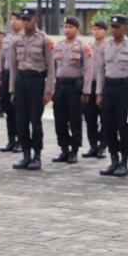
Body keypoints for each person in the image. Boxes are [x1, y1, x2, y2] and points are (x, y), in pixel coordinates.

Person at [9, 8, 55, 170]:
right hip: (21, 81)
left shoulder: (44, 40)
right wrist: (12, 90)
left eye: (28, 19)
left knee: (35, 121)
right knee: (21, 120)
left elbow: (51, 67)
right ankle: (26, 155)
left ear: (35, 19)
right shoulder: (17, 41)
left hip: (36, 81)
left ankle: (37, 156)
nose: (25, 22)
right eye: (23, 19)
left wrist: (48, 91)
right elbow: (13, 67)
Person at [96, 13, 128, 177]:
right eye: (113, 27)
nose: (115, 30)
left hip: (124, 88)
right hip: (109, 87)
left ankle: (124, 162)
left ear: (124, 27)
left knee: (123, 127)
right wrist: (98, 93)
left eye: (118, 27)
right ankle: (113, 160)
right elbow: (100, 71)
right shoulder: (105, 47)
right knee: (108, 126)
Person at [51, 16, 93, 164]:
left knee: (74, 119)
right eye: (65, 27)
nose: (67, 30)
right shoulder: (58, 46)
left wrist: (86, 91)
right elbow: (53, 69)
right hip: (60, 87)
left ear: (77, 29)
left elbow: (88, 70)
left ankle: (74, 150)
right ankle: (64, 149)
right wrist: (51, 88)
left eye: (70, 27)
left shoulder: (83, 46)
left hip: (74, 88)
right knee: (60, 119)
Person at [82, 21, 107, 158]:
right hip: (89, 85)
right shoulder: (88, 48)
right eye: (94, 29)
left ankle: (103, 146)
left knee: (104, 119)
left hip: (104, 86)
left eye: (99, 29)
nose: (96, 31)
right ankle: (93, 145)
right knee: (90, 118)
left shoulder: (108, 46)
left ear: (105, 31)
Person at [0, 12, 22, 153]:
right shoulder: (6, 39)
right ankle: (11, 140)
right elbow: (0, 60)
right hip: (6, 76)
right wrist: (0, 78)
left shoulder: (24, 38)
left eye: (17, 19)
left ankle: (20, 140)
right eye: (12, 19)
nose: (13, 22)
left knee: (18, 111)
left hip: (19, 76)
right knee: (8, 110)